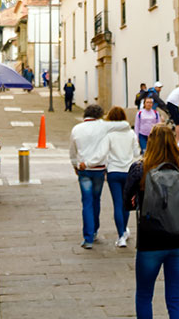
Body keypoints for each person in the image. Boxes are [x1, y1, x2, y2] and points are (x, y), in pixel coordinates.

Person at [123, 125, 179, 318]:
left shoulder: (139, 168)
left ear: (150, 141)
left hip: (150, 242)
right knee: (175, 299)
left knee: (145, 295)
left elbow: (126, 203)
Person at [69, 103, 122, 249]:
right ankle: (95, 230)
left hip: (83, 169)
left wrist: (75, 165)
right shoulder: (104, 128)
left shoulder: (77, 129)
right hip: (99, 169)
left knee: (87, 202)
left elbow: (72, 151)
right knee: (96, 199)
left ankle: (88, 237)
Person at [102, 107, 141, 247]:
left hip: (113, 171)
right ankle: (124, 230)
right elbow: (137, 152)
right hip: (129, 171)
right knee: (126, 204)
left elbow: (105, 153)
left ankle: (121, 236)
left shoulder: (109, 134)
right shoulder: (130, 133)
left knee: (117, 204)